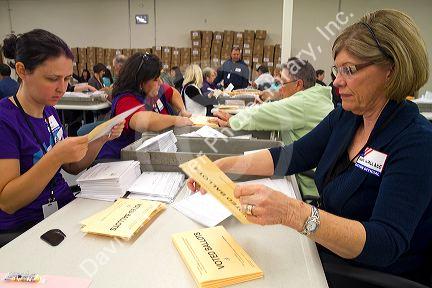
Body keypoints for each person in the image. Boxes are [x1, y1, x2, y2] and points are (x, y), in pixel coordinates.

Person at [189, 10, 432, 286]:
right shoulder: (347, 117)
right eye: (336, 70)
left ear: (391, 69)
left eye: (349, 70)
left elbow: (385, 243)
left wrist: (295, 213)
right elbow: (292, 156)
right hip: (328, 249)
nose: (337, 81)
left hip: (372, 272)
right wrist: (227, 165)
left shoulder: (416, 141)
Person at [0, 29, 124, 247]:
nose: (62, 88)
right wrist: (55, 157)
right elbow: (8, 201)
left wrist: (100, 139)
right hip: (26, 228)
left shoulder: (49, 110)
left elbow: (72, 167)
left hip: (63, 210)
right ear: (21, 70)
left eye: (67, 78)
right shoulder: (5, 120)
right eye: (52, 78)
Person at [213, 57, 333, 197]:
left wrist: (233, 121)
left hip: (309, 187)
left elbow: (262, 114)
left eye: (282, 82)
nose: (279, 87)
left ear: (298, 84)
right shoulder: (315, 94)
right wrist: (271, 94)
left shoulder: (304, 103)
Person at [97, 53, 192, 159]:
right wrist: (176, 120)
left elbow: (172, 92)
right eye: (155, 79)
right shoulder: (125, 100)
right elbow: (144, 121)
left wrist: (183, 109)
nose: (160, 82)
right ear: (140, 82)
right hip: (118, 160)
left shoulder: (153, 89)